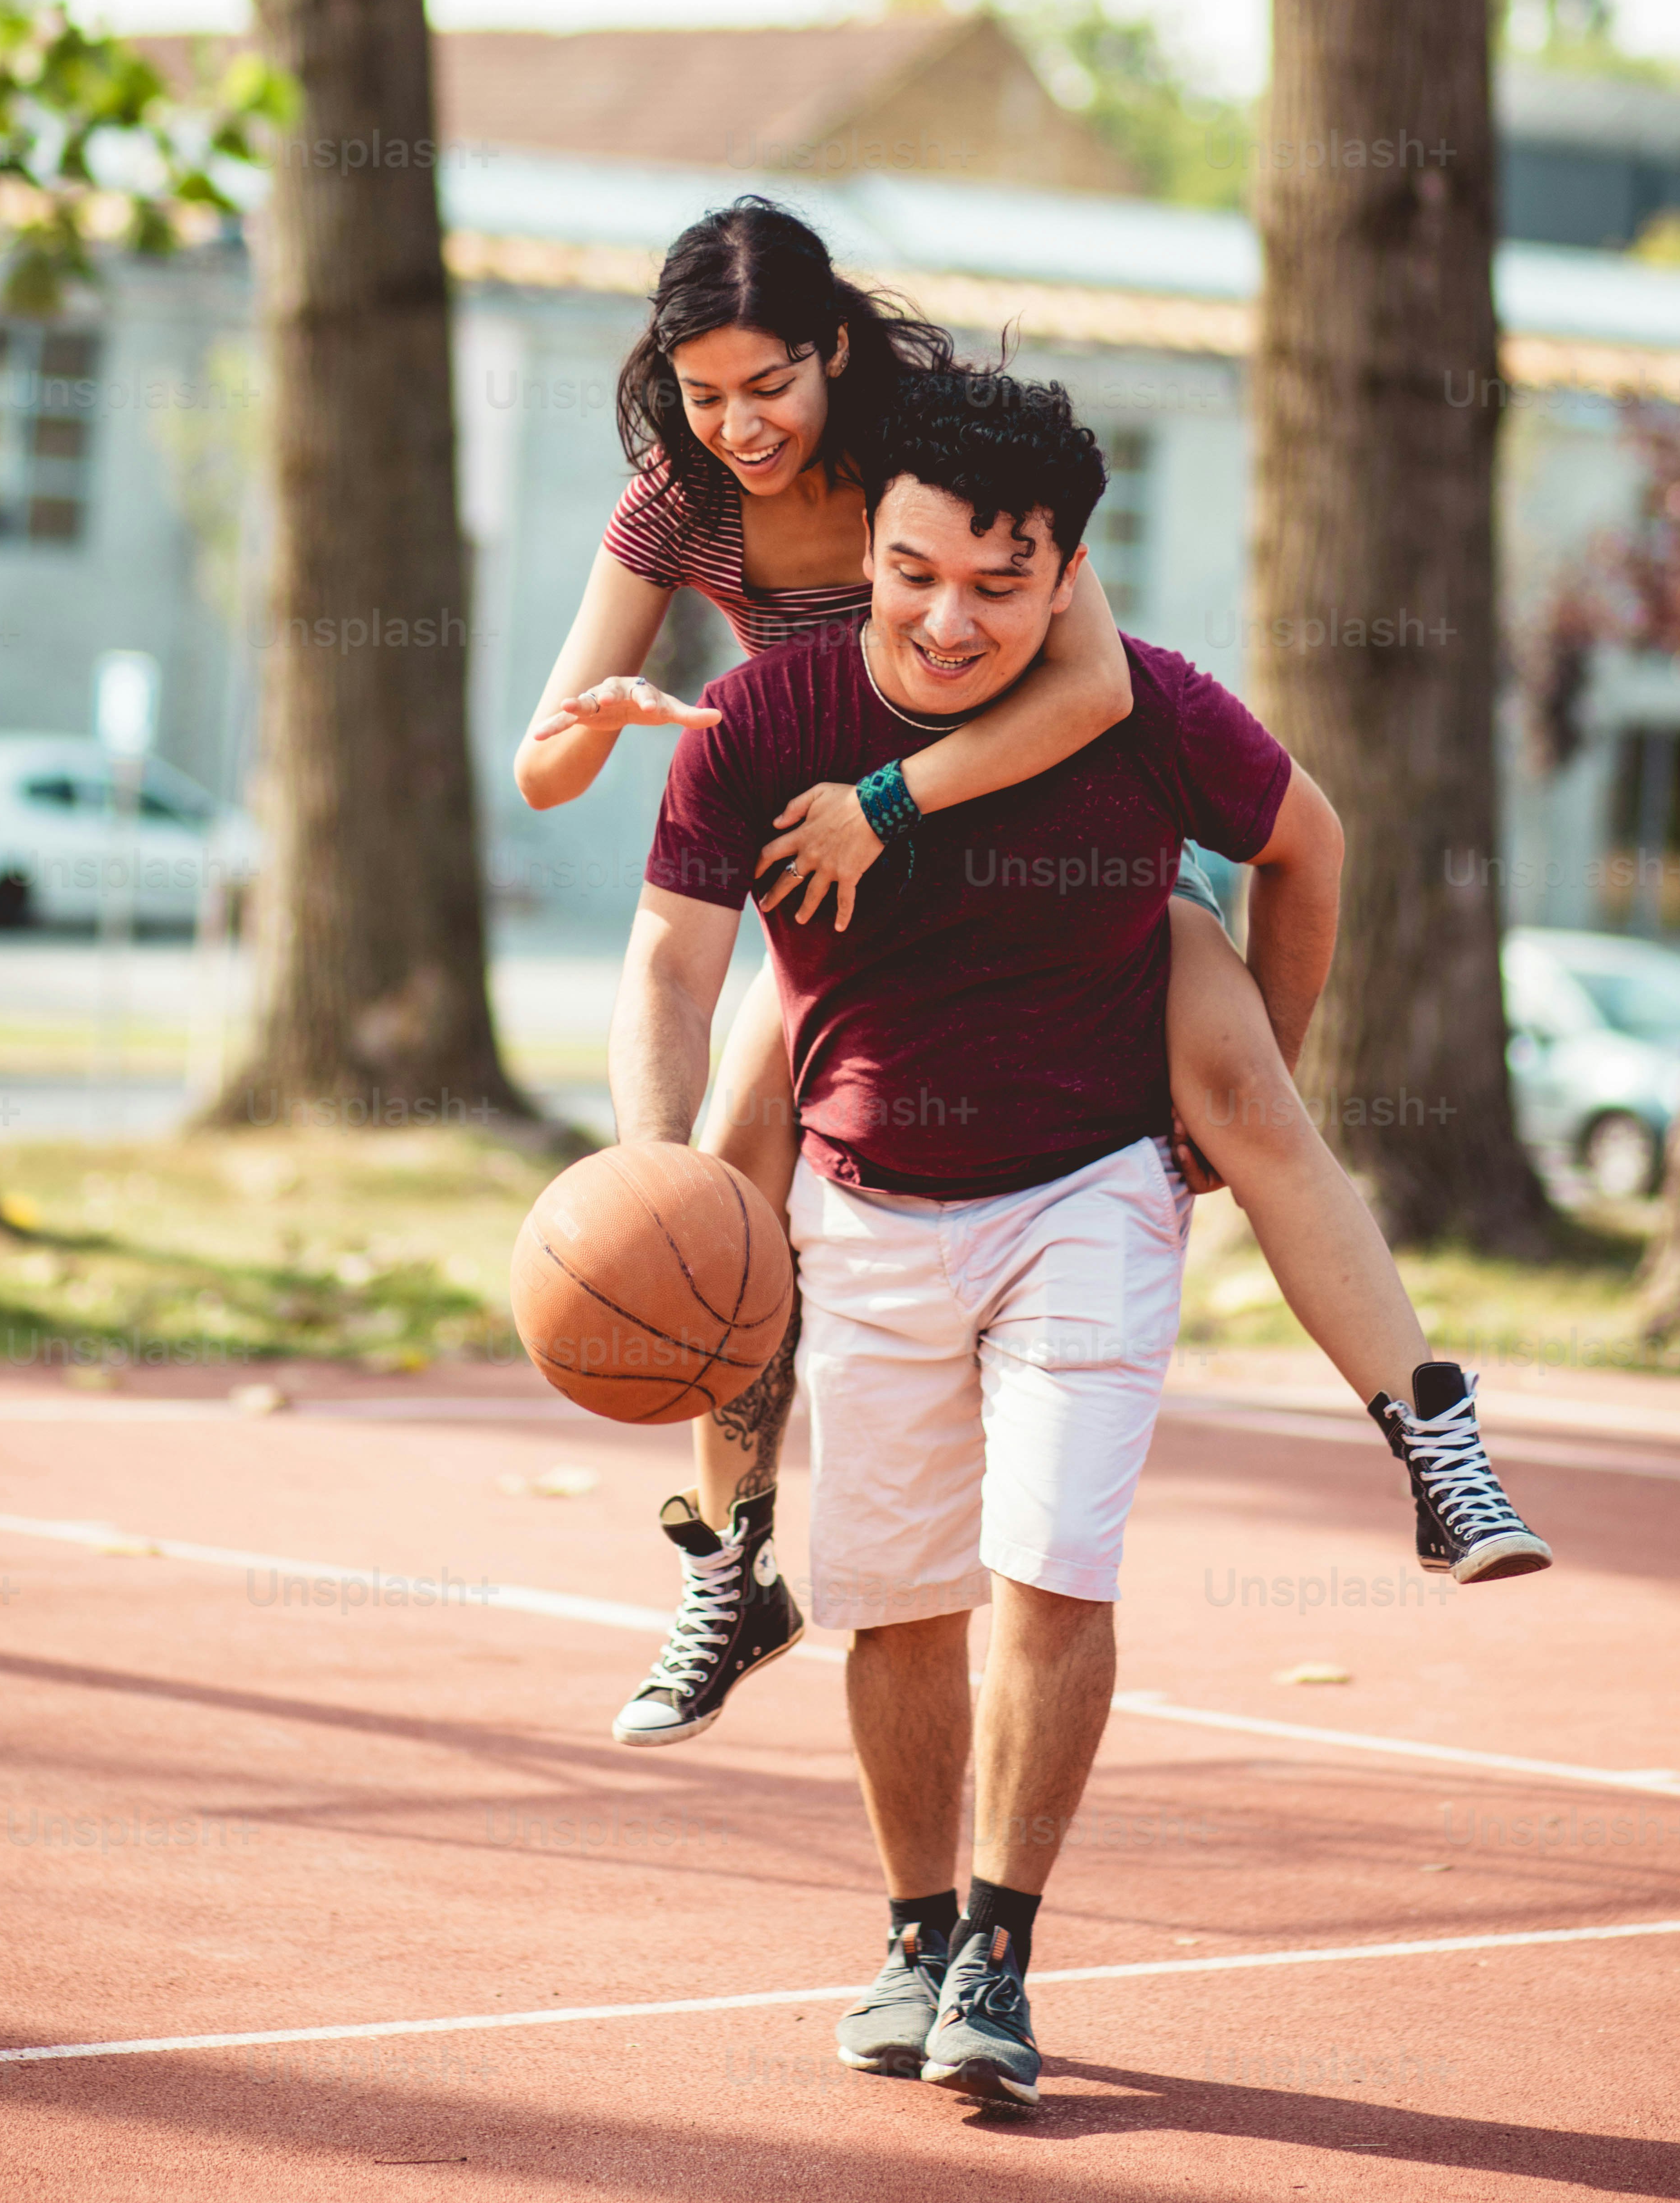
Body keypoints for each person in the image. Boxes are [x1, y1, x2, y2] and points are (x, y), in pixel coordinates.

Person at [605, 367, 1549, 2106]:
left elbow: (1307, 844)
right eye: (912, 573)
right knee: (899, 1607)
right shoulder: (768, 724)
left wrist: (1258, 1051)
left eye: (998, 582)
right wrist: (644, 1169)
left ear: (1068, 581)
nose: (948, 618)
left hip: (1091, 1199)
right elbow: (671, 962)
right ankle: (905, 1923)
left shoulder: (1152, 713)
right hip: (866, 1210)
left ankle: (1000, 1950)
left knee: (1053, 1571)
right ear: (869, 546)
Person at [514, 197, 1544, 1756]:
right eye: (705, 390)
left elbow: (1096, 690)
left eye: (770, 384)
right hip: (845, 896)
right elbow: (542, 772)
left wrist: (888, 801)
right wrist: (600, 715)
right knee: (716, 1182)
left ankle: (1436, 1440)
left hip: (1031, 833)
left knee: (1250, 1092)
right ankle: (734, 1572)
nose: (741, 424)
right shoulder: (677, 503)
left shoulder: (935, 462)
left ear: (835, 351)